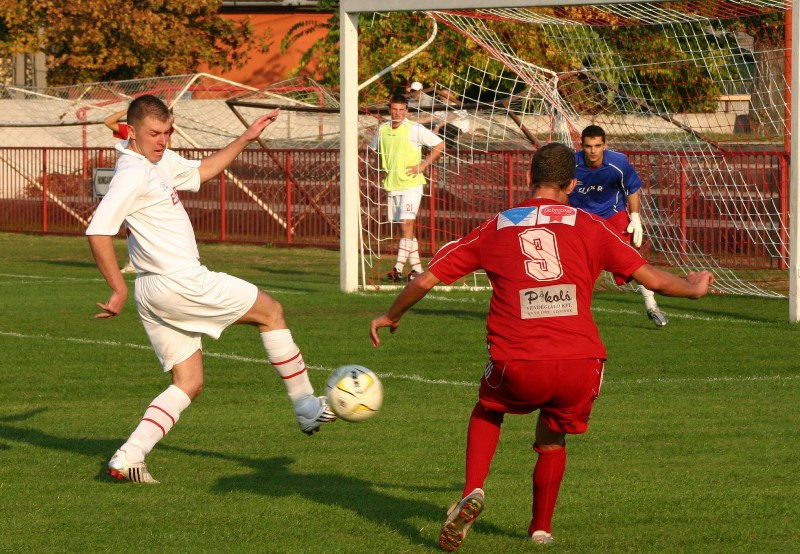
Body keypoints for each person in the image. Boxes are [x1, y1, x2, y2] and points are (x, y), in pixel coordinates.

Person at [370, 143, 713, 549]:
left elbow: (425, 279)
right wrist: (694, 289)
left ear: (527, 179)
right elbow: (653, 279)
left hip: (518, 360)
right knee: (552, 438)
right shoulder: (590, 225)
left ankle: (474, 489)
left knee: (489, 407)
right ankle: (540, 530)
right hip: (581, 362)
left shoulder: (495, 226)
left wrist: (391, 315)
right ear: (572, 182)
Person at [87, 95, 335, 484]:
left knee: (189, 381)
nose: (163, 140)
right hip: (180, 282)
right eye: (154, 133)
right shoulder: (133, 172)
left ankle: (129, 456)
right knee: (270, 311)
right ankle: (306, 406)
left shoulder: (156, 161)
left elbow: (203, 171)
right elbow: (98, 230)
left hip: (154, 290)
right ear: (131, 132)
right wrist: (116, 289)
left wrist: (247, 137)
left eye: (167, 132)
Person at [571, 124, 668, 327]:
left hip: (612, 216)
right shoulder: (571, 165)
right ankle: (572, 315)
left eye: (597, 145)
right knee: (576, 269)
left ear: (604, 145)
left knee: (631, 259)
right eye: (589, 146)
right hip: (582, 221)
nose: (593, 151)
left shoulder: (618, 162)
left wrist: (635, 217)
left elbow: (632, 188)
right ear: (582, 146)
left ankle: (651, 305)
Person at [369, 93, 445, 283]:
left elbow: (439, 145)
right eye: (395, 109)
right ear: (389, 109)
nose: (398, 113)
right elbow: (375, 152)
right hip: (393, 184)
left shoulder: (414, 128)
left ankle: (397, 268)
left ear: (407, 111)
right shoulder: (382, 129)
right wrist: (383, 170)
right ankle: (417, 270)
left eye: (402, 110)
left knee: (406, 224)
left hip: (412, 183)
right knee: (405, 229)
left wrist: (423, 166)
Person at [104, 106, 174, 274]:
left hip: (155, 182)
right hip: (136, 184)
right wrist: (129, 109)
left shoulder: (164, 137)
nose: (161, 139)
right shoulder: (132, 134)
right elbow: (108, 122)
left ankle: (146, 261)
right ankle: (136, 261)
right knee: (132, 226)